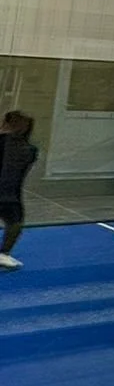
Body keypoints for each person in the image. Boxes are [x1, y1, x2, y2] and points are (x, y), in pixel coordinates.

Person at [0, 110, 38, 269]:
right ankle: (3, 254)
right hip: (11, 195)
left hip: (8, 194)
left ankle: (3, 255)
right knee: (15, 222)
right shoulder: (31, 150)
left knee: (15, 221)